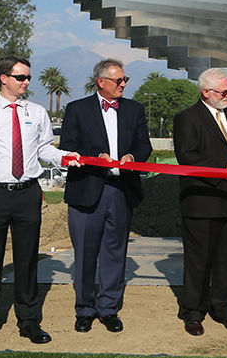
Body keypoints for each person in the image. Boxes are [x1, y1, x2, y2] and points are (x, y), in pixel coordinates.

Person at [0, 55, 81, 344]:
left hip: (28, 194)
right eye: (20, 77)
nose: (26, 82)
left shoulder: (36, 113)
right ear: (4, 78)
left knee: (26, 262)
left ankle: (29, 322)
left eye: (28, 77)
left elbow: (44, 150)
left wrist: (65, 156)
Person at [60, 58, 152, 334]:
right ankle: (85, 309)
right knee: (85, 253)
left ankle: (109, 308)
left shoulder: (134, 109)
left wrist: (132, 156)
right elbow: (68, 146)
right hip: (86, 190)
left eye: (125, 80)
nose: (123, 84)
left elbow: (144, 145)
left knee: (115, 252)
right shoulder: (76, 109)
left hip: (120, 190)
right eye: (118, 80)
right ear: (101, 82)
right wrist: (92, 158)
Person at [173, 68, 227, 336]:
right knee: (199, 260)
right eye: (224, 92)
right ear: (206, 92)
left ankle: (223, 308)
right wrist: (223, 168)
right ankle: (193, 312)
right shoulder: (187, 118)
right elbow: (187, 157)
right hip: (202, 199)